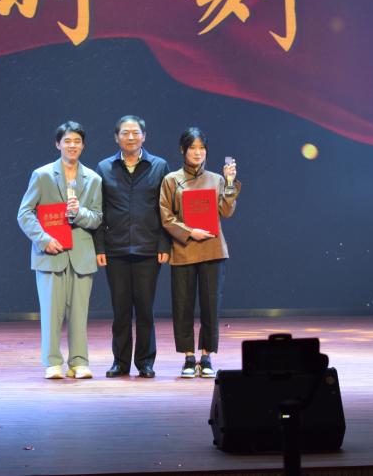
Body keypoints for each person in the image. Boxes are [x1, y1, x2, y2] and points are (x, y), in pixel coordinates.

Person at [17, 121, 103, 380]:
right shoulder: (42, 175)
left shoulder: (93, 179)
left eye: (77, 141)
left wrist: (79, 213)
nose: (72, 145)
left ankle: (79, 362)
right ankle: (52, 362)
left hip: (81, 255)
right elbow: (25, 213)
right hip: (50, 253)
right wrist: (43, 240)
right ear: (58, 144)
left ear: (83, 145)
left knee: (79, 314)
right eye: (67, 141)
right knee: (51, 313)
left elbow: (97, 218)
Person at [159, 126, 240, 378]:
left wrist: (229, 183)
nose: (197, 152)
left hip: (213, 250)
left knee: (210, 305)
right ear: (182, 150)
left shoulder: (217, 179)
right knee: (182, 305)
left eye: (202, 148)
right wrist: (189, 231)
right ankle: (188, 357)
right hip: (183, 249)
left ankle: (206, 356)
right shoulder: (171, 180)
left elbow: (226, 212)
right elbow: (166, 217)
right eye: (192, 148)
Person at [95, 116, 171, 378]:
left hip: (148, 249)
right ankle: (120, 362)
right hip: (115, 250)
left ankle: (146, 362)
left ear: (144, 136)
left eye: (135, 132)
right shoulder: (104, 167)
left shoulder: (159, 166)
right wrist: (100, 247)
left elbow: (166, 209)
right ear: (116, 137)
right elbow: (99, 210)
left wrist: (164, 243)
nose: (130, 137)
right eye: (125, 133)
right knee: (121, 310)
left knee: (145, 310)